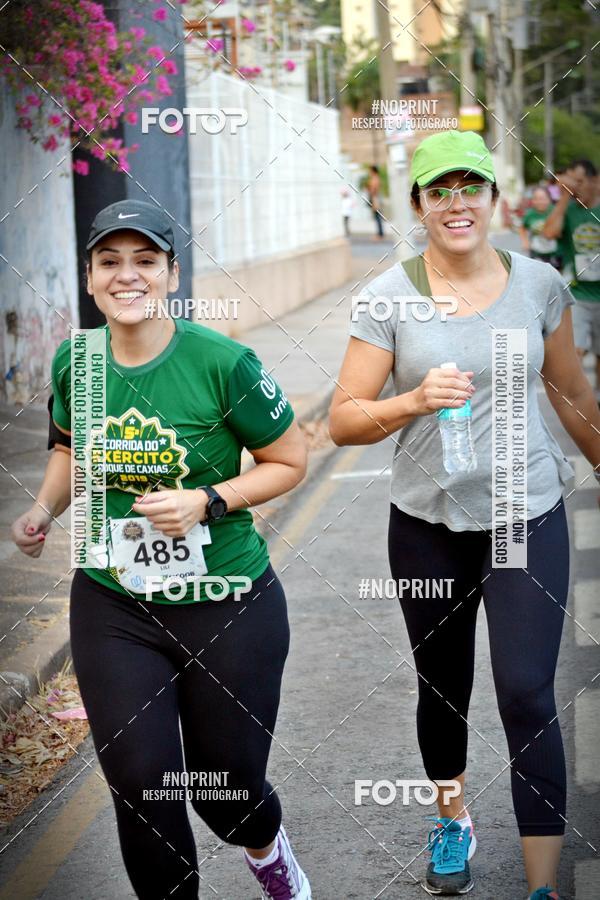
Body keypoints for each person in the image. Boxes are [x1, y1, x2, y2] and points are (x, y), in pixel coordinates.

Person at [11, 200, 312, 900]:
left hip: (227, 601)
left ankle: (268, 853)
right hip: (113, 602)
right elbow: (66, 448)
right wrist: (42, 509)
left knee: (228, 794)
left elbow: (289, 460)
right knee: (142, 787)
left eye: (145, 260)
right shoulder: (75, 361)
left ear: (171, 273)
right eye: (109, 262)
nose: (127, 276)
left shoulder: (223, 362)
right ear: (89, 277)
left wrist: (206, 500)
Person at [329, 130, 600, 898]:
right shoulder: (386, 297)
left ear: (493, 198)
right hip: (426, 525)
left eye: (469, 187)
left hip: (524, 514)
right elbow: (343, 420)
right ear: (417, 205)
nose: (456, 204)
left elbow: (571, 392)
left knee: (525, 690)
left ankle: (543, 884)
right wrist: (412, 400)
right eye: (438, 190)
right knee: (441, 686)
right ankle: (451, 820)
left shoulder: (540, 285)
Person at [543, 159, 600, 404]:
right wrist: (564, 199)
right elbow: (548, 233)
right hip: (578, 296)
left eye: (578, 181)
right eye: (569, 182)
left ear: (595, 181)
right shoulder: (568, 209)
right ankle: (580, 401)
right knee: (574, 351)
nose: (574, 187)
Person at [519, 185, 561, 269]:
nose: (539, 202)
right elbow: (522, 227)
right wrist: (525, 241)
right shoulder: (530, 214)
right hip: (537, 252)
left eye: (542, 198)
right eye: (536, 199)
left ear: (549, 199)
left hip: (556, 252)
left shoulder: (555, 211)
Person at [366, 164, 385, 239]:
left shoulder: (375, 179)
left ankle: (380, 234)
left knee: (377, 216)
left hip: (375, 198)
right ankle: (380, 233)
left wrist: (370, 190)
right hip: (375, 198)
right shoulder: (376, 178)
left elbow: (373, 189)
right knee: (377, 216)